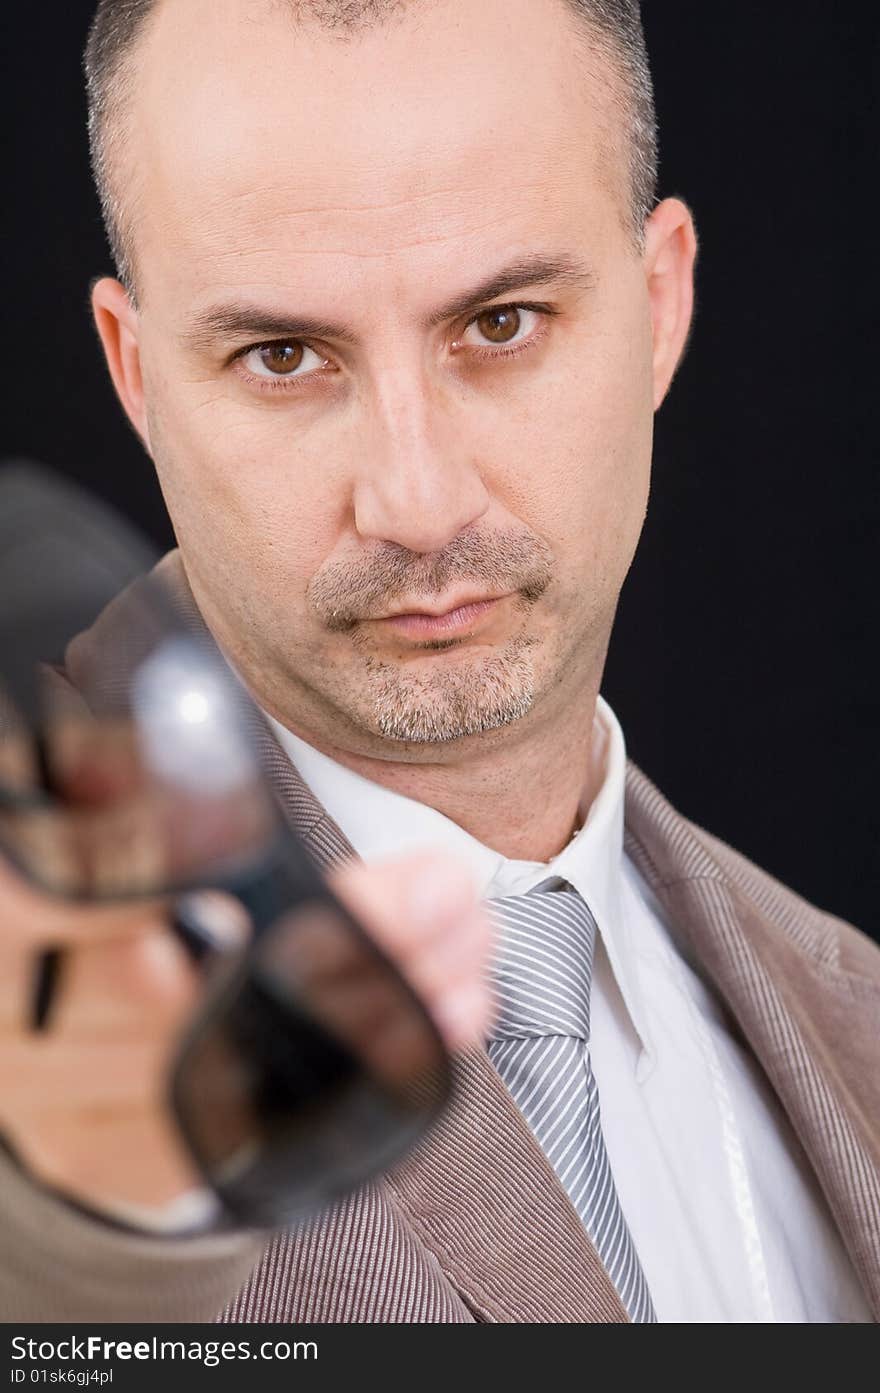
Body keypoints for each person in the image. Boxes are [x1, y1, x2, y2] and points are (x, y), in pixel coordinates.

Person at [0, 0, 877, 1324]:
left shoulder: (852, 1010)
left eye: (504, 322)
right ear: (138, 374)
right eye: (283, 355)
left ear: (660, 303)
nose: (413, 500)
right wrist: (90, 1229)